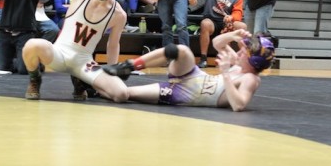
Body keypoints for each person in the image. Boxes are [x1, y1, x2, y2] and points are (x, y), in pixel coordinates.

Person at [102, 30, 275, 111]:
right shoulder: (239, 64)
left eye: (244, 52)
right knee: (182, 50)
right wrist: (232, 36)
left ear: (253, 61)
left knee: (122, 94)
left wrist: (225, 73)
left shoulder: (251, 79)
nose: (239, 52)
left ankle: (93, 82)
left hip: (184, 94)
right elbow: (217, 44)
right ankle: (129, 66)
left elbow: (238, 105)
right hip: (194, 76)